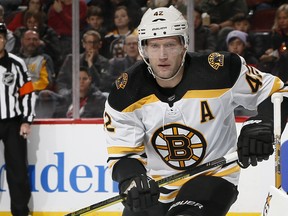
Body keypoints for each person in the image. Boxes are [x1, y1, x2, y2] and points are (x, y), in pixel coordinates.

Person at [103, 6, 287, 216]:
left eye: (170, 44)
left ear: (184, 45)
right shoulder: (125, 92)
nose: (162, 55)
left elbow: (279, 92)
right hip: (156, 186)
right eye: (154, 46)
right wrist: (132, 179)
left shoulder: (220, 71)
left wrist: (263, 124)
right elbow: (123, 154)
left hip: (213, 176)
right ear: (143, 48)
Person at [0, 22, 36, 216]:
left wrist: (26, 120)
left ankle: (21, 213)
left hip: (13, 123)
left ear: (6, 39)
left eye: (0, 37)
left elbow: (28, 93)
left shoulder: (16, 63)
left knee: (18, 172)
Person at [55, 30, 110, 95]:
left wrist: (90, 64)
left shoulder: (105, 63)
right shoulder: (71, 59)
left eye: (95, 42)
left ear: (100, 44)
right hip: (72, 95)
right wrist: (66, 94)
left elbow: (102, 85)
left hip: (94, 97)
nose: (92, 45)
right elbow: (61, 81)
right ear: (84, 44)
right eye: (89, 42)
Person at [17, 29, 54, 93]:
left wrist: (24, 89)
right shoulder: (14, 58)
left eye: (35, 39)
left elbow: (46, 83)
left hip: (36, 96)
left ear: (39, 42)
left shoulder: (44, 59)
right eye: (28, 39)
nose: (32, 42)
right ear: (22, 41)